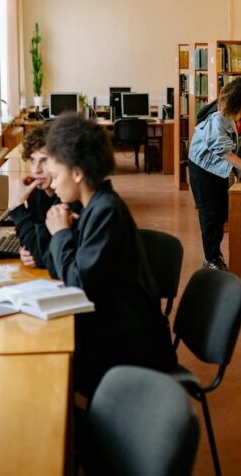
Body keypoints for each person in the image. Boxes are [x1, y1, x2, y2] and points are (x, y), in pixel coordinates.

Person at [44, 113, 176, 397]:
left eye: (55, 176)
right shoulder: (91, 207)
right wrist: (62, 235)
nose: (52, 185)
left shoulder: (106, 211)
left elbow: (78, 285)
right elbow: (65, 270)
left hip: (130, 343)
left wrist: (61, 235)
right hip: (115, 326)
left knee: (47, 372)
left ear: (77, 172)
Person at [188, 76, 241, 271]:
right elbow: (224, 151)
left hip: (221, 167)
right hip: (202, 167)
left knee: (222, 212)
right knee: (211, 214)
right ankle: (210, 259)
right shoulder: (217, 119)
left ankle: (215, 255)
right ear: (234, 104)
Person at [5, 123, 79, 273]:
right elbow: (36, 243)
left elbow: (41, 252)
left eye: (44, 161)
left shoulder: (71, 197)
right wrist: (25, 250)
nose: (37, 170)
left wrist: (16, 207)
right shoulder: (35, 192)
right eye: (33, 160)